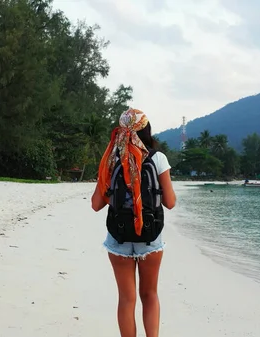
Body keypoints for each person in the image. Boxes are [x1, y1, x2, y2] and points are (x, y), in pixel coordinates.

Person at [91, 108, 176, 337]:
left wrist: (121, 196)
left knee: (126, 300)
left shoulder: (111, 158)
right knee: (149, 295)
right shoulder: (157, 158)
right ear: (146, 129)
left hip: (118, 235)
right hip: (150, 236)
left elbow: (96, 204)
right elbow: (170, 202)